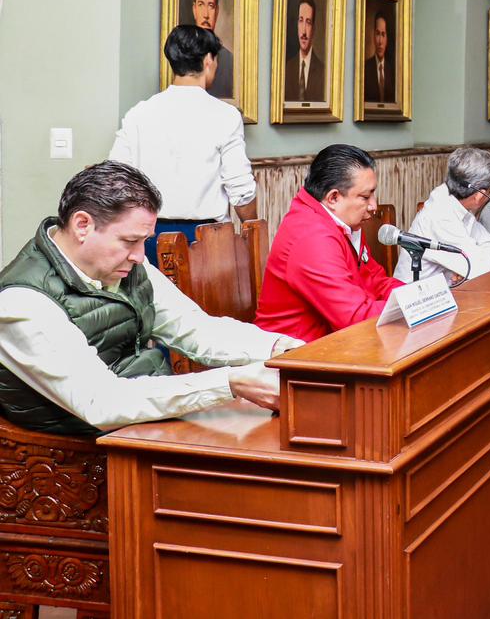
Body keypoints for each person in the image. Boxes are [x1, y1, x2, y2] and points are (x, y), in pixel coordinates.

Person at [0, 161, 301, 435]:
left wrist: (283, 349)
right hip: (84, 448)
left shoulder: (126, 266)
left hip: (143, 426)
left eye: (144, 241)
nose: (140, 256)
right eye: (130, 241)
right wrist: (230, 383)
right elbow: (101, 402)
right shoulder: (23, 302)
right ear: (83, 225)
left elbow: (195, 330)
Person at [110, 25, 257, 264]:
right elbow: (240, 190)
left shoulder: (139, 113)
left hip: (149, 236)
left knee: (153, 290)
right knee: (208, 292)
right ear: (208, 60)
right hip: (207, 239)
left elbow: (116, 178)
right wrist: (253, 229)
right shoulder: (224, 115)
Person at [255, 145, 402, 342]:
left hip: (334, 343)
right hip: (297, 353)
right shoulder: (312, 237)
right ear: (333, 198)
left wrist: (418, 297)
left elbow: (376, 281)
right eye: (365, 197)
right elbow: (354, 318)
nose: (374, 206)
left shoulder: (343, 221)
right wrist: (408, 306)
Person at [396, 148, 490, 282]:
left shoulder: (458, 203)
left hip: (446, 290)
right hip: (418, 293)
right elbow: (481, 268)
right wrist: (469, 267)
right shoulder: (441, 214)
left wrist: (467, 269)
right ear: (479, 196)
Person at [189, 0, 235, 100]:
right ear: (194, 10)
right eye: (201, 5)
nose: (206, 14)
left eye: (211, 6)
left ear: (217, 11)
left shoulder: (229, 60)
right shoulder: (183, 55)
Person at [284, 0, 325, 103]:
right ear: (297, 24)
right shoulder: (287, 68)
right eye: (301, 21)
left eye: (308, 22)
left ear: (314, 29)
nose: (304, 32)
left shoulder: (323, 72)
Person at [364, 12, 395, 104]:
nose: (380, 41)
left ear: (387, 38)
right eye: (377, 34)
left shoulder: (393, 70)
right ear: (373, 36)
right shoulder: (365, 68)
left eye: (383, 34)